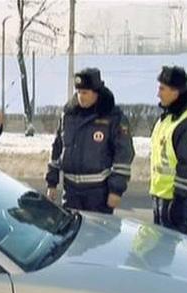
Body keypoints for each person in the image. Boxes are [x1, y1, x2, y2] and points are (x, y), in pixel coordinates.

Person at [45, 68, 134, 214]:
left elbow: (123, 154)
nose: (81, 97)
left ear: (96, 92)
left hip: (98, 193)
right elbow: (58, 148)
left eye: (85, 92)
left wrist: (116, 190)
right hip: (71, 192)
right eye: (78, 92)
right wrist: (52, 182)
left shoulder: (112, 116)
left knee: (98, 235)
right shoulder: (68, 115)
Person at [149, 65, 187, 236]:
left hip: (176, 201)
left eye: (162, 89)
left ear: (176, 92)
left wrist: (180, 201)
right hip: (162, 198)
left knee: (175, 256)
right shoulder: (168, 117)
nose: (158, 93)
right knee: (161, 252)